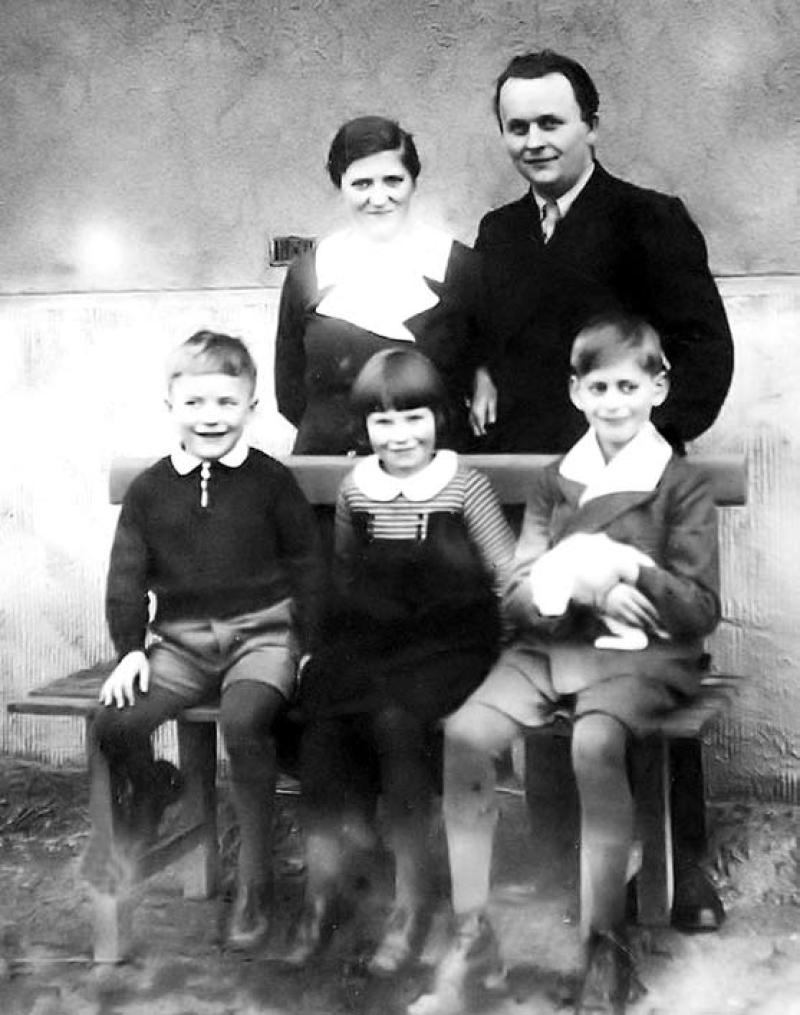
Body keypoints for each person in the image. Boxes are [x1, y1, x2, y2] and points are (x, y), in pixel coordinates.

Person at [471, 48, 733, 933]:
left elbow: (705, 349)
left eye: (552, 122)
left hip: (636, 491)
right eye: (518, 126)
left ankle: (680, 866)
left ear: (591, 122)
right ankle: (564, 861)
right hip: (545, 489)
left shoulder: (649, 219)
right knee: (551, 663)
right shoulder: (500, 233)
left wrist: (651, 446)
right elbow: (484, 338)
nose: (535, 141)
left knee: (644, 661)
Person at [410, 312, 721, 1015]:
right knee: (464, 735)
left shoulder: (680, 484)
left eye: (627, 385)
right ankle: (472, 935)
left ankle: (605, 945)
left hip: (646, 658)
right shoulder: (556, 482)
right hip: (553, 644)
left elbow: (699, 608)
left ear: (658, 387)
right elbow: (519, 591)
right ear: (576, 393)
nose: (613, 402)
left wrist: (629, 567)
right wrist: (570, 580)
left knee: (594, 740)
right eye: (598, 387)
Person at [87, 331, 324, 951]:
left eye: (225, 402)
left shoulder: (271, 483)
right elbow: (127, 575)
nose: (210, 417)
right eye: (194, 403)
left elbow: (307, 564)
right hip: (181, 643)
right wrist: (131, 648)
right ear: (170, 407)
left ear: (251, 406)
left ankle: (255, 881)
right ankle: (153, 789)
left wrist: (310, 643)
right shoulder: (149, 490)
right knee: (113, 722)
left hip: (261, 636)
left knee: (247, 721)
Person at [286, 348, 515, 974]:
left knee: (396, 722)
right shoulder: (358, 489)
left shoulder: (463, 484)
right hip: (377, 639)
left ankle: (414, 902)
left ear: (440, 417)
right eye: (383, 423)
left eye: (415, 418)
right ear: (363, 432)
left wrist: (514, 657)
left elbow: (505, 574)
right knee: (325, 720)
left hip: (452, 644)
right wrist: (319, 652)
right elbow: (346, 572)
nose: (402, 436)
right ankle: (325, 891)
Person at [274, 115, 492, 455]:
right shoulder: (308, 272)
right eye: (362, 184)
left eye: (393, 180)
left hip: (435, 474)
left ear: (413, 181)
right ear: (340, 185)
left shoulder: (460, 267)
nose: (379, 198)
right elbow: (289, 391)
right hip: (330, 470)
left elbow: (487, 356)